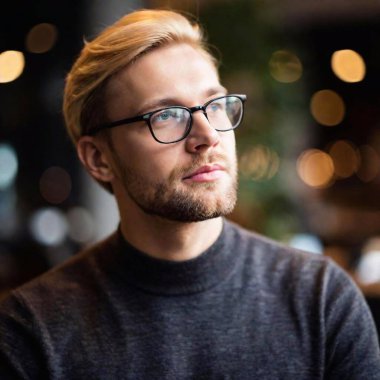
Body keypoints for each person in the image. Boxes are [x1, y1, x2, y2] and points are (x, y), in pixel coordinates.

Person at [0, 9, 379, 380]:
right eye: (165, 115)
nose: (209, 136)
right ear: (98, 158)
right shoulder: (32, 331)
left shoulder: (322, 301)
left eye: (215, 105)